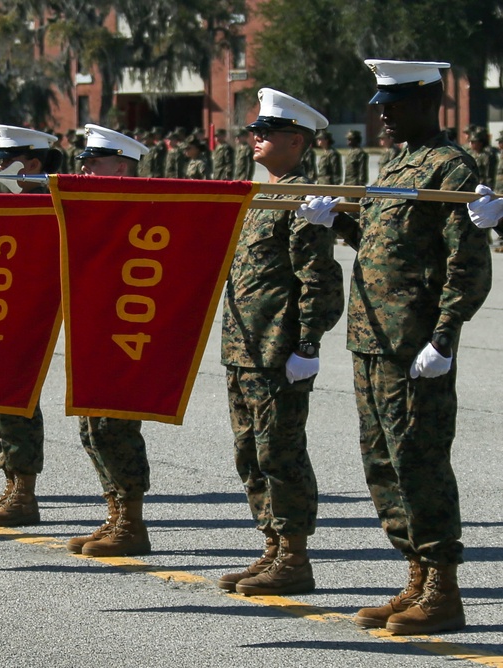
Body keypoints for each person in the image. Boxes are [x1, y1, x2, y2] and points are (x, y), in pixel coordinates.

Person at [297, 59, 492, 636]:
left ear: (428, 103)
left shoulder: (450, 167)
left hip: (413, 344)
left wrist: (445, 336)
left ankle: (443, 591)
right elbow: (382, 244)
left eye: (393, 104)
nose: (381, 114)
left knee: (419, 462)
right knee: (383, 465)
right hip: (372, 339)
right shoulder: (399, 163)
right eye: (379, 104)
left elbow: (466, 262)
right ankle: (416, 576)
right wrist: (337, 224)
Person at [217, 88, 343, 597]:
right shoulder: (260, 195)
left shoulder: (301, 200)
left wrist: (307, 346)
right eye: (255, 131)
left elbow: (318, 279)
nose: (256, 138)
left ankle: (294, 558)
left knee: (280, 454)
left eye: (267, 132)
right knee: (249, 454)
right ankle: (272, 547)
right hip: (243, 349)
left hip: (277, 351)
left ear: (296, 141)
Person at [62, 123, 153, 557]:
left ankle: (132, 523)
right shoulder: (94, 206)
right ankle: (115, 512)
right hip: (95, 328)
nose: (85, 171)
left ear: (120, 167)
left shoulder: (146, 207)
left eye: (93, 163)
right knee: (91, 427)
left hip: (126, 331)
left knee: (114, 425)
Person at [0, 125, 62, 528]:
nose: (0, 167)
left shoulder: (52, 205)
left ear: (32, 164)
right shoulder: (8, 203)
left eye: (7, 160)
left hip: (28, 316)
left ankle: (24, 492)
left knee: (16, 398)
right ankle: (10, 483)